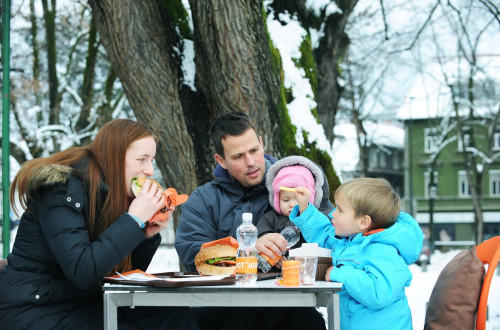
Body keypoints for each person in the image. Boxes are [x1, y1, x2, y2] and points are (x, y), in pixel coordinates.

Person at [0, 119, 199, 329]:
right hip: (33, 306)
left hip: (82, 302)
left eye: (152, 160)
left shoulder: (112, 194)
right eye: (142, 159)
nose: (149, 170)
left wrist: (144, 236)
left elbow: (118, 275)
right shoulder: (61, 191)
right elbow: (83, 271)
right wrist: (132, 221)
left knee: (174, 316)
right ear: (113, 157)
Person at [175, 112, 327, 330]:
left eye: (254, 150)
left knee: (308, 322)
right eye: (238, 157)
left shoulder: (297, 182)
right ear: (221, 160)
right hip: (225, 304)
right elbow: (193, 255)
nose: (251, 162)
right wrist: (245, 250)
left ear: (262, 143)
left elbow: (329, 238)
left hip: (285, 301)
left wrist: (291, 255)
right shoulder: (203, 199)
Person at [290, 177, 424, 330]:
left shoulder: (384, 251)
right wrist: (305, 208)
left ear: (363, 222)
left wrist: (340, 273)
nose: (333, 213)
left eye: (340, 210)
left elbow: (378, 292)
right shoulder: (348, 242)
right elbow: (323, 234)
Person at [256, 155, 332, 270]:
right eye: (285, 200)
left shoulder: (320, 218)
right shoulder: (272, 218)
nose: (291, 204)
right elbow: (261, 235)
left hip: (310, 272)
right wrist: (270, 250)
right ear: (276, 200)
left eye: (297, 199)